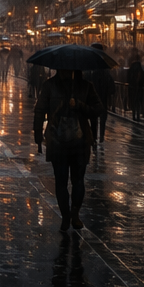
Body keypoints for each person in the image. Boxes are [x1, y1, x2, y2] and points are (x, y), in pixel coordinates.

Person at [33, 68, 102, 229]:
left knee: (75, 180)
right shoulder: (52, 86)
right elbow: (40, 110)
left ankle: (73, 214)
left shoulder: (84, 86)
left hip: (77, 141)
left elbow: (98, 109)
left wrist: (79, 105)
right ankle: (67, 216)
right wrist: (38, 135)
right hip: (61, 142)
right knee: (64, 180)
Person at [126, 51, 144, 121]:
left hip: (132, 87)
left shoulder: (132, 66)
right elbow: (143, 77)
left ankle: (134, 114)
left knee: (133, 101)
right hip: (139, 87)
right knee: (138, 102)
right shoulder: (141, 67)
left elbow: (128, 77)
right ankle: (138, 115)